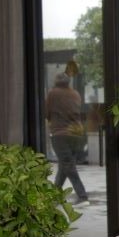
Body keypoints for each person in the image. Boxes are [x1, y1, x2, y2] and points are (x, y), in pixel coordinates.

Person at [45, 73, 88, 203]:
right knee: (64, 166)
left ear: (56, 82)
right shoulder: (75, 94)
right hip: (76, 133)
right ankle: (54, 196)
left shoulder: (53, 94)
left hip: (60, 134)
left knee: (68, 166)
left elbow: (47, 113)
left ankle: (82, 196)